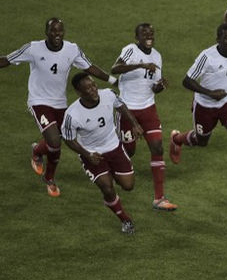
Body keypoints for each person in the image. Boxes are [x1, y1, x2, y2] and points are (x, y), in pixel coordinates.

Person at [0, 18, 118, 197]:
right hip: (39, 102)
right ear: (46, 32)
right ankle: (49, 179)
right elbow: (7, 60)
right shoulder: (33, 48)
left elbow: (89, 67)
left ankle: (37, 151)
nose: (57, 35)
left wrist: (112, 80)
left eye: (60, 31)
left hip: (60, 103)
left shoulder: (72, 49)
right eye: (53, 31)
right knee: (55, 141)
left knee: (59, 142)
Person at [168, 23, 227, 206]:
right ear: (217, 39)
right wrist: (209, 93)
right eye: (226, 38)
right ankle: (177, 139)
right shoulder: (207, 57)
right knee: (201, 141)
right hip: (205, 105)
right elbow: (187, 81)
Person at [61, 72, 143, 234]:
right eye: (88, 89)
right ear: (79, 93)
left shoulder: (108, 94)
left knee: (128, 186)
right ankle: (125, 219)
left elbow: (121, 106)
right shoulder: (72, 114)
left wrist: (134, 124)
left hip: (114, 148)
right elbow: (68, 139)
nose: (93, 90)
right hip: (93, 155)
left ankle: (110, 193)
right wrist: (86, 154)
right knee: (107, 188)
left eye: (93, 85)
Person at [110, 23, 177, 211]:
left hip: (148, 108)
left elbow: (154, 85)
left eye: (151, 33)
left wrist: (160, 86)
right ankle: (110, 169)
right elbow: (115, 68)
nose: (149, 36)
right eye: (144, 34)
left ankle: (159, 198)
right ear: (137, 37)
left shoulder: (157, 56)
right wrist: (140, 64)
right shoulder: (130, 50)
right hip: (127, 109)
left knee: (157, 147)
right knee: (128, 151)